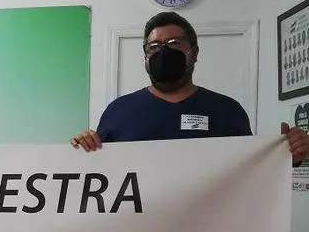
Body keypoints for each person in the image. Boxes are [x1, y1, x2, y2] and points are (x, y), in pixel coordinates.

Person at [71, 12, 309, 166]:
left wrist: (287, 157)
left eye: (174, 43)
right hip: (139, 230)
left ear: (194, 52)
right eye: (154, 46)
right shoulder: (118, 111)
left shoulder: (228, 111)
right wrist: (81, 147)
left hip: (208, 228)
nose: (164, 51)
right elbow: (97, 174)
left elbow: (249, 172)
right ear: (145, 55)